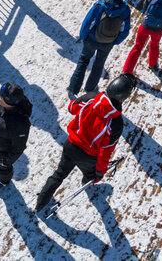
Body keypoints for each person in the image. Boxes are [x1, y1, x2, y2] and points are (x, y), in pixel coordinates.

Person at [34, 74, 134, 213]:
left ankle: (40, 204)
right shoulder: (116, 123)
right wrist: (100, 172)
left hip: (71, 145)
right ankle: (87, 182)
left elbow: (71, 108)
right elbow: (106, 151)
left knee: (59, 174)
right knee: (91, 174)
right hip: (89, 156)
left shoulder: (92, 97)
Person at [68, 0, 131, 95]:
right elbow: (125, 29)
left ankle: (73, 88)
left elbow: (88, 23)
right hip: (108, 43)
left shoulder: (100, 6)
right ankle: (90, 89)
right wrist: (115, 41)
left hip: (91, 40)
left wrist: (83, 37)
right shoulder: (125, 9)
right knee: (98, 65)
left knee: (83, 61)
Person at [0, 83, 32, 193]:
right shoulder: (2, 104)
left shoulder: (20, 124)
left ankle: (4, 181)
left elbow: (19, 147)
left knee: (3, 170)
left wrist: (6, 161)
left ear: (9, 102)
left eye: (1, 96)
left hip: (1, 155)